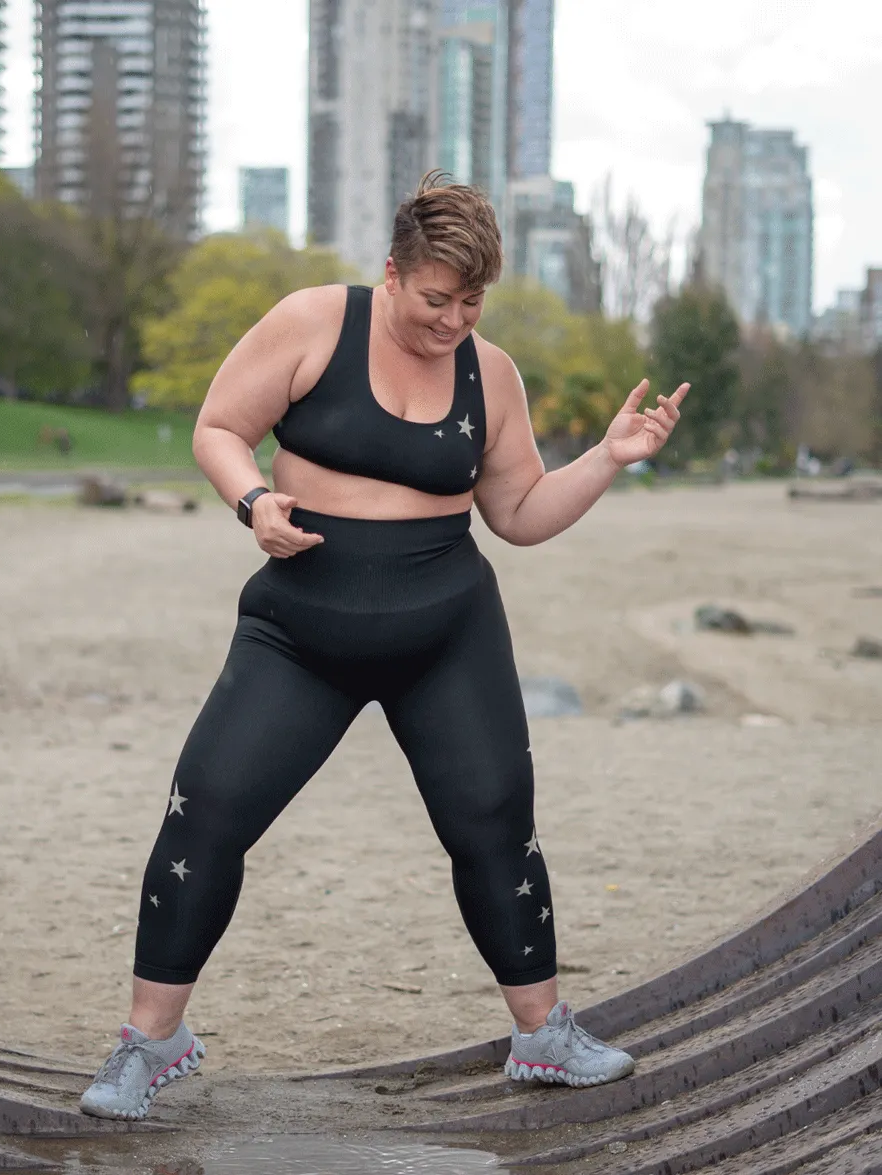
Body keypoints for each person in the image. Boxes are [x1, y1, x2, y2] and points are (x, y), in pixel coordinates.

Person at [79, 172, 689, 1120]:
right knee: (207, 809)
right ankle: (148, 1043)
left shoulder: (492, 373)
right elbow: (218, 429)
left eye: (473, 302)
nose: (454, 321)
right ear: (393, 273)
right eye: (437, 299)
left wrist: (607, 458)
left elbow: (519, 514)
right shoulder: (313, 322)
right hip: (300, 630)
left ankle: (542, 1034)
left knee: (494, 819)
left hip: (445, 631)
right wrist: (253, 502)